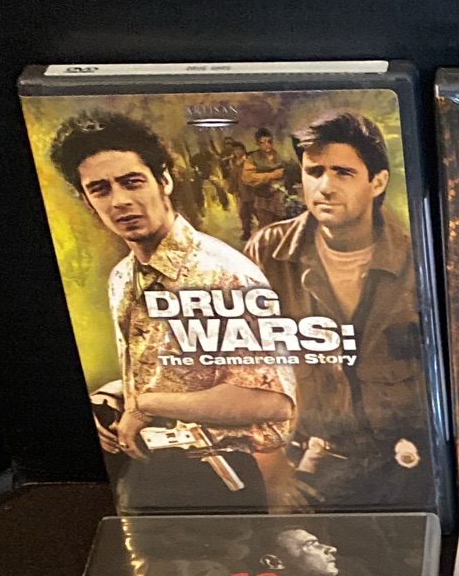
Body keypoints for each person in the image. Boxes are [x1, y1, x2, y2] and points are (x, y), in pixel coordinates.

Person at [48, 111, 294, 511]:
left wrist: (145, 405)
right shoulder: (123, 276)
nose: (120, 201)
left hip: (221, 483)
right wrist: (114, 395)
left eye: (132, 182)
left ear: (163, 180)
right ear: (87, 200)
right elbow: (175, 374)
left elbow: (271, 402)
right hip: (148, 473)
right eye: (100, 189)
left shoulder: (224, 275)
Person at [246, 111, 428, 508]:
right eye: (314, 172)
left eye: (343, 173)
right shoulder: (268, 252)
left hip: (413, 464)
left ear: (377, 182)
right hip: (316, 460)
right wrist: (274, 472)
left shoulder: (419, 255)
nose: (325, 187)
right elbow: (242, 365)